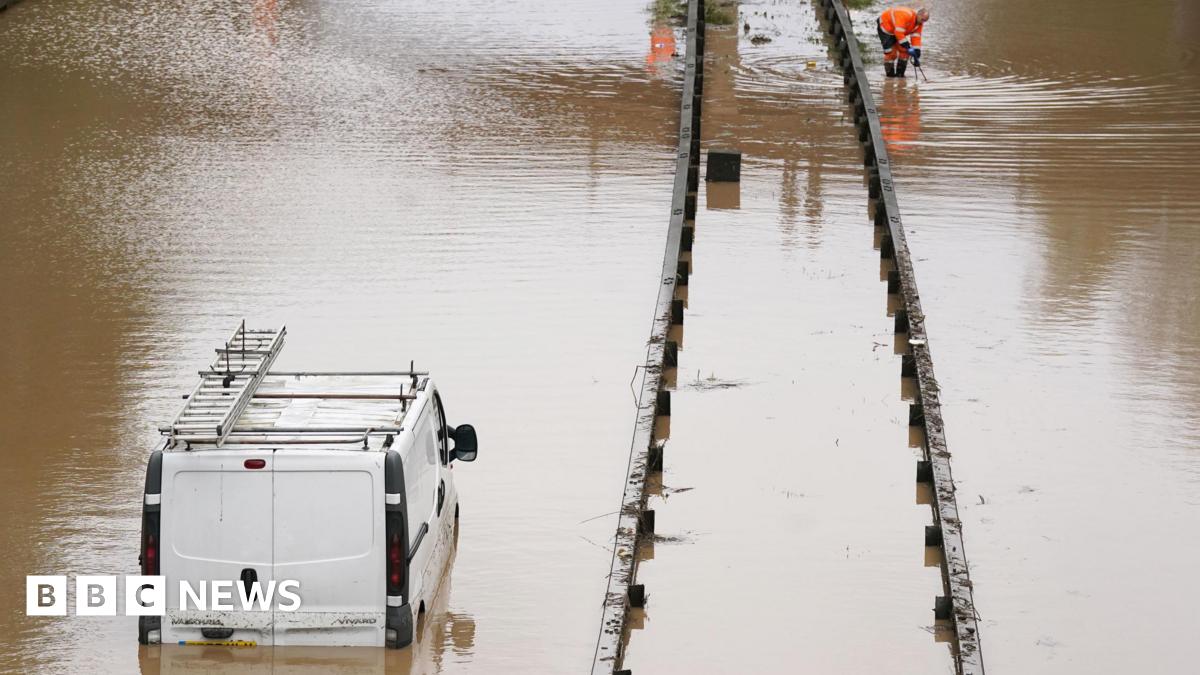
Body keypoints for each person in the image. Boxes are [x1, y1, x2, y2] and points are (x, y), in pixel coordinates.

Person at [877, 6, 929, 78]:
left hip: (898, 31)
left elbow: (916, 37)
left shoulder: (919, 23)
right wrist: (908, 46)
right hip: (886, 27)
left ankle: (900, 76)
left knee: (905, 52)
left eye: (925, 21)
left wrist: (917, 51)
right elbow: (898, 32)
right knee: (891, 53)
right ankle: (890, 77)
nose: (923, 22)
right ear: (918, 15)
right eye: (922, 19)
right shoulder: (906, 16)